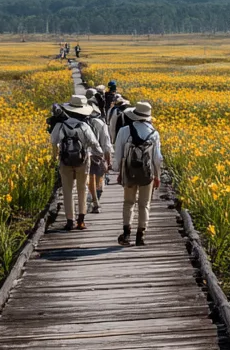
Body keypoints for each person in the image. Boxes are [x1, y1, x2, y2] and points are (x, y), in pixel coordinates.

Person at [113, 101, 162, 246]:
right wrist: (157, 175)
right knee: (144, 204)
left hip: (128, 171)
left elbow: (118, 153)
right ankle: (141, 235)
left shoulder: (124, 131)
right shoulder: (154, 133)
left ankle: (127, 233)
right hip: (147, 174)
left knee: (128, 202)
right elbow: (157, 158)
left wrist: (119, 171)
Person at [50, 95, 102, 231]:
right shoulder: (84, 125)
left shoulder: (60, 125)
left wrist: (54, 158)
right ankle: (81, 221)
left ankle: (69, 221)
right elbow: (94, 143)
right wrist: (99, 154)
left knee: (67, 191)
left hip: (65, 161)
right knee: (82, 190)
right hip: (83, 161)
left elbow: (53, 142)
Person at [84, 95, 112, 214]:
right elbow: (107, 144)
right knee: (99, 179)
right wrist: (108, 161)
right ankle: (96, 201)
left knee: (90, 179)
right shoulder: (100, 123)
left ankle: (94, 201)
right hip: (98, 155)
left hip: (85, 155)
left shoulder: (82, 123)